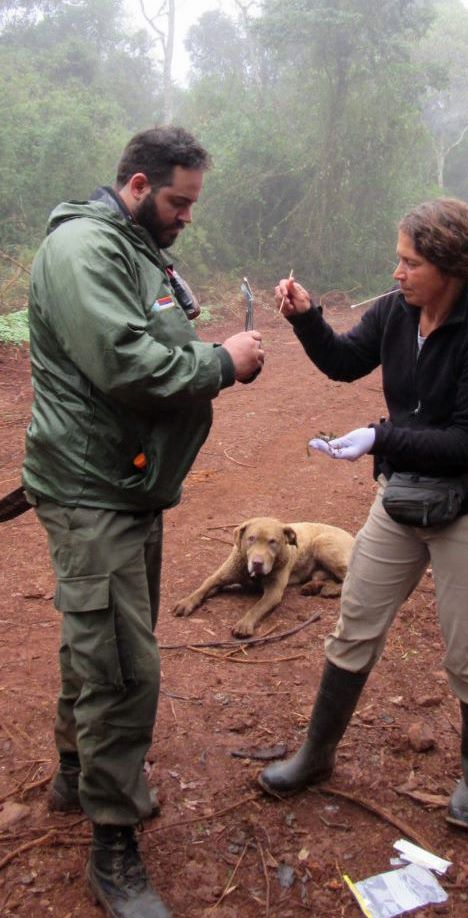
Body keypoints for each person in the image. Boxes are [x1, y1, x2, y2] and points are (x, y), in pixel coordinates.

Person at [22, 125, 265, 917]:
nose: (187, 217)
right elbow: (128, 363)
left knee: (98, 640)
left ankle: (72, 772)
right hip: (92, 489)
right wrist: (222, 362)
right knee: (125, 667)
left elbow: (152, 334)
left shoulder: (133, 246)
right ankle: (112, 844)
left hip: (123, 486)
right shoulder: (85, 252)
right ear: (136, 185)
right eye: (178, 201)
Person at [258, 197, 468, 833]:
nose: (396, 273)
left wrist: (380, 438)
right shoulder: (397, 313)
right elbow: (344, 361)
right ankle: (316, 756)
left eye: (408, 262)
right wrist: (306, 317)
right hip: (403, 499)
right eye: (397, 260)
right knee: (355, 624)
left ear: (449, 266)